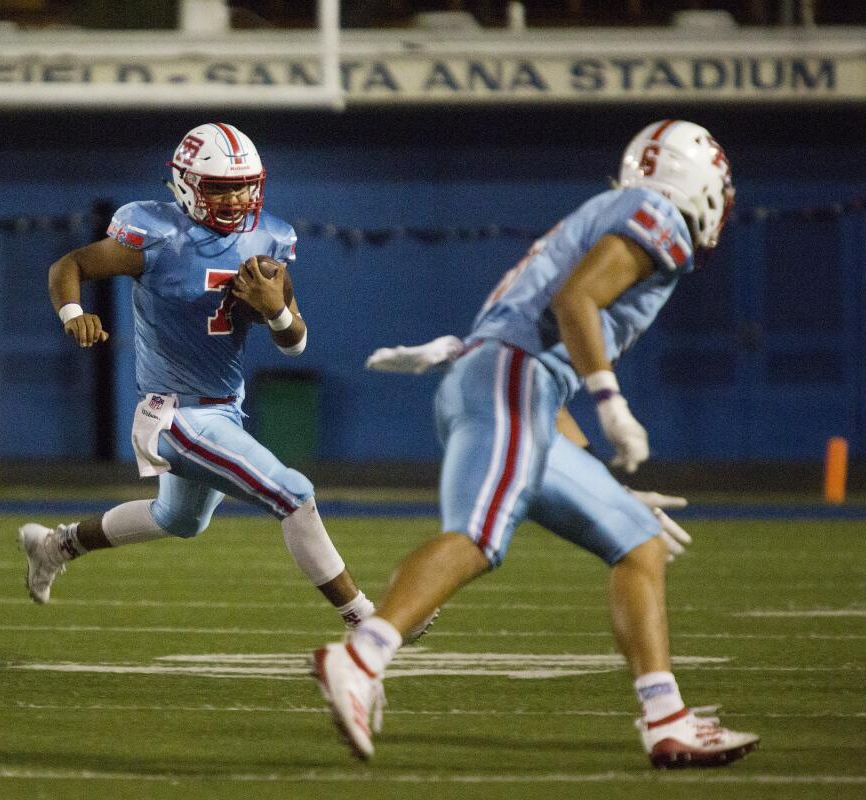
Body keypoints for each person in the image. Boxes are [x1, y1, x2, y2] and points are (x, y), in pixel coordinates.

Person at [311, 119, 759, 768]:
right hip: (510, 379)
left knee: (637, 539)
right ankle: (359, 657)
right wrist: (612, 402)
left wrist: (611, 484)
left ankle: (667, 719)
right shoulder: (657, 211)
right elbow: (577, 301)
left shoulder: (616, 207)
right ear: (700, 179)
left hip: (514, 384)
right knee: (477, 536)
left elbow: (550, 365)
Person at [21, 122, 412, 636]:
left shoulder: (270, 236)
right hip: (175, 412)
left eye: (242, 185)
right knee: (292, 493)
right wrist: (73, 313)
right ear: (186, 184)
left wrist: (275, 313)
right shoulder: (153, 234)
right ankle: (363, 617)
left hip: (226, 407)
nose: (234, 199)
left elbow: (295, 343)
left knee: (179, 520)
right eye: (220, 187)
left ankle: (58, 544)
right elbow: (68, 264)